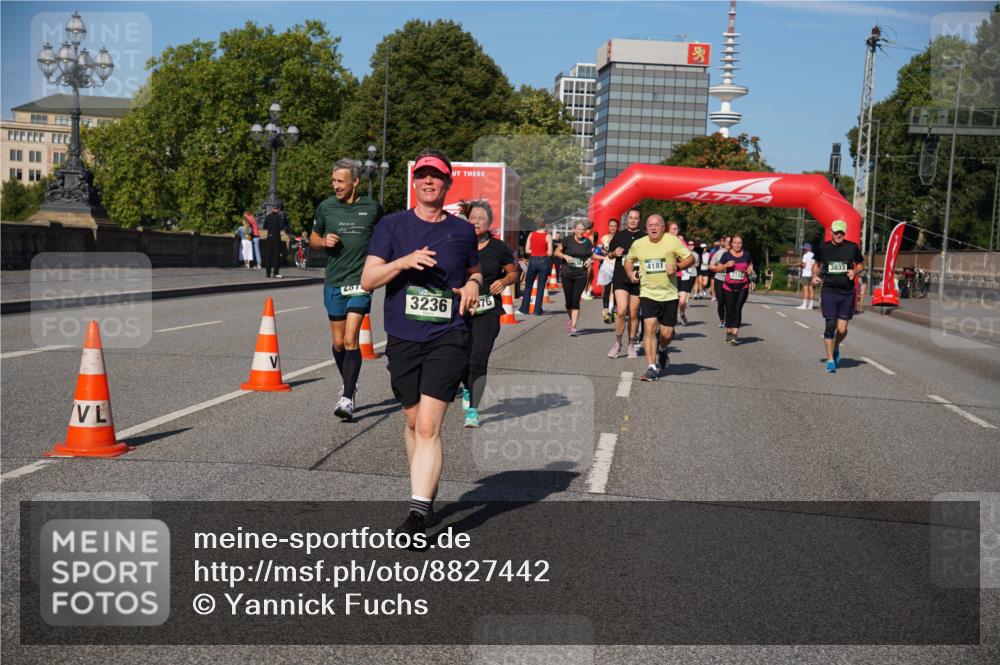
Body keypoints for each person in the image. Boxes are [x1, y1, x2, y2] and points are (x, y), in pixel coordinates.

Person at [360, 149, 480, 537]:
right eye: (423, 175)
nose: (429, 181)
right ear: (415, 182)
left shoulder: (462, 231)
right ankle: (424, 489)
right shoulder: (392, 226)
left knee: (429, 427)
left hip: (449, 334)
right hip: (403, 336)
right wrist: (403, 262)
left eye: (437, 176)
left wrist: (474, 286)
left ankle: (418, 511)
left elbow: (474, 272)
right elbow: (368, 280)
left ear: (447, 184)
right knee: (412, 422)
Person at [311, 158, 384, 420]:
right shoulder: (326, 208)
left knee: (353, 339)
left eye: (340, 181)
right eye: (333, 181)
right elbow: (313, 238)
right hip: (334, 280)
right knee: (339, 342)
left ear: (355, 182)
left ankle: (347, 396)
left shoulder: (373, 208)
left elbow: (386, 237)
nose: (335, 186)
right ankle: (350, 382)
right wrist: (323, 241)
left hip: (361, 281)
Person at [458, 199, 517, 428]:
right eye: (473, 218)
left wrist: (503, 280)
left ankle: (473, 409)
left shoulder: (498, 247)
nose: (476, 222)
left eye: (481, 218)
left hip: (488, 311)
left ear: (489, 222)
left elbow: (514, 272)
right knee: (461, 358)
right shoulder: (459, 244)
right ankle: (466, 385)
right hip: (461, 311)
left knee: (479, 358)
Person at [624, 215, 694, 381]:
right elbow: (628, 261)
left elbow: (690, 258)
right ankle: (651, 367)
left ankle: (662, 348)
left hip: (669, 294)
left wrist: (677, 266)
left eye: (657, 225)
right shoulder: (639, 244)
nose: (653, 228)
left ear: (663, 227)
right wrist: (630, 273)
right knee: (649, 329)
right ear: (646, 227)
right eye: (650, 225)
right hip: (648, 293)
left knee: (667, 333)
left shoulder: (672, 241)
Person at [811, 220, 864, 373]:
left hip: (847, 292)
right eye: (836, 232)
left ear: (844, 233)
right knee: (830, 325)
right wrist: (815, 275)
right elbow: (816, 265)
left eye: (841, 232)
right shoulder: (823, 248)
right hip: (829, 290)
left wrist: (855, 271)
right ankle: (830, 360)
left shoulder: (852, 247)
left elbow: (860, 264)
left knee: (842, 329)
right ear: (831, 232)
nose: (839, 235)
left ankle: (835, 346)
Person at [607, 208, 646, 358]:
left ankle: (631, 344)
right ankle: (617, 343)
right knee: (622, 311)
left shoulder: (645, 237)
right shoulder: (619, 235)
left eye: (636, 218)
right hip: (621, 278)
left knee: (634, 313)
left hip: (637, 279)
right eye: (630, 218)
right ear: (627, 219)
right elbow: (609, 255)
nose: (633, 220)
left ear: (639, 220)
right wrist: (614, 253)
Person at [712, 234, 754, 344]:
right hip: (728, 287)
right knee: (729, 309)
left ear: (742, 244)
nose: (737, 245)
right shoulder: (726, 255)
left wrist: (750, 270)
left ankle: (735, 335)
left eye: (739, 243)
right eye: (735, 243)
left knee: (737, 309)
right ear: (731, 244)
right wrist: (726, 265)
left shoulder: (746, 254)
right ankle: (729, 332)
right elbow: (718, 268)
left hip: (743, 287)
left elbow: (750, 265)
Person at [554, 221, 594, 336]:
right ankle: (570, 319)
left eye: (583, 229)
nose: (581, 231)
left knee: (576, 300)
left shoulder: (588, 243)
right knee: (568, 302)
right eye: (579, 229)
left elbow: (590, 256)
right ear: (574, 230)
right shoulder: (567, 240)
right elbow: (557, 252)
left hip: (581, 274)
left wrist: (588, 261)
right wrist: (565, 256)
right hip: (567, 273)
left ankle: (573, 326)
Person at [519, 219, 552, 316]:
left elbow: (527, 250)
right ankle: (537, 310)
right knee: (541, 287)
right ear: (545, 225)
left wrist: (535, 251)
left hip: (533, 260)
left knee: (528, 286)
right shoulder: (548, 236)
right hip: (544, 261)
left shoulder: (531, 234)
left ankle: (524, 309)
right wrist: (542, 252)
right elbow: (550, 253)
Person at [597, 219, 619, 323]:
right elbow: (599, 250)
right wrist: (603, 252)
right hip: (607, 266)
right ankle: (606, 312)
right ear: (608, 226)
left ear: (617, 227)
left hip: (618, 266)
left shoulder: (620, 237)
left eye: (614, 226)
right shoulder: (604, 238)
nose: (613, 228)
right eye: (611, 226)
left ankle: (614, 309)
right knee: (606, 289)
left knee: (616, 290)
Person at [708, 236, 731, 327]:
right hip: (720, 279)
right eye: (727, 241)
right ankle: (722, 320)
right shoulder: (718, 253)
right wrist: (718, 268)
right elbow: (711, 266)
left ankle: (729, 320)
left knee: (729, 302)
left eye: (730, 241)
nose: (729, 243)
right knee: (721, 301)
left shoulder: (736, 253)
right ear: (724, 243)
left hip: (731, 280)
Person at [262, 202, 287, 279]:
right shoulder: (279, 217)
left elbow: (264, 226)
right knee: (276, 255)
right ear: (279, 209)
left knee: (268, 255)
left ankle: (268, 273)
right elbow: (282, 227)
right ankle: (275, 272)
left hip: (269, 237)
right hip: (276, 237)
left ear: (273, 209)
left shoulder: (268, 216)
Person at [797, 242, 816, 310]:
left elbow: (804, 265)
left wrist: (799, 265)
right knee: (811, 289)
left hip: (805, 274)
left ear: (806, 249)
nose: (803, 250)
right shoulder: (814, 255)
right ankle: (810, 305)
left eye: (804, 249)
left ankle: (804, 305)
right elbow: (815, 265)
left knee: (805, 289)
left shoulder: (805, 255)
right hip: (812, 274)